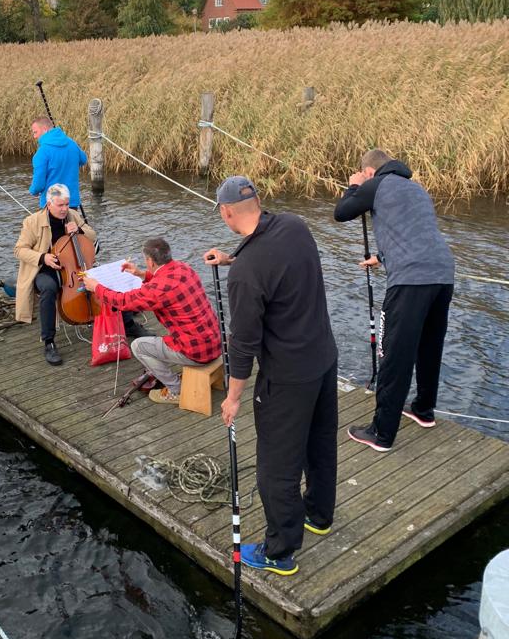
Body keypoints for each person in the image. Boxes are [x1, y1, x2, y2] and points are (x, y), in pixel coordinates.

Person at [204, 175, 338, 577]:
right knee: (319, 444)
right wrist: (233, 258)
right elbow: (273, 258)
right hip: (324, 359)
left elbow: (243, 346)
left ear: (226, 213)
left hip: (286, 378)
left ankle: (280, 550)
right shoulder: (295, 226)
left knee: (275, 466)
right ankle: (319, 515)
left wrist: (233, 397)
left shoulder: (246, 274)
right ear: (258, 201)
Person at [334, 149, 455, 452]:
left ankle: (381, 433)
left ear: (370, 172)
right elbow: (413, 233)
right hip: (442, 274)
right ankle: (423, 411)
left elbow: (342, 212)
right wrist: (383, 257)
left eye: (363, 174)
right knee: (429, 345)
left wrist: (354, 186)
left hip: (411, 281)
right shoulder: (417, 189)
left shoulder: (375, 184)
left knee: (394, 355)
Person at [81, 238, 221, 404]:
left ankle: (177, 390)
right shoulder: (184, 268)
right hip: (215, 342)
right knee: (162, 339)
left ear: (149, 260)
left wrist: (96, 287)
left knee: (138, 346)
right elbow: (163, 284)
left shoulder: (158, 289)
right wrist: (141, 274)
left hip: (196, 352)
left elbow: (124, 301)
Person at [14, 183, 96, 366]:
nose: (64, 209)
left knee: (102, 280)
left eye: (67, 204)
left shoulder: (72, 215)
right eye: (60, 205)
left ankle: (127, 322)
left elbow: (92, 235)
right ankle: (49, 342)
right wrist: (43, 257)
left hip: (74, 267)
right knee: (49, 289)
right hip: (45, 269)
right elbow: (19, 250)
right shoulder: (33, 221)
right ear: (49, 203)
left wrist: (80, 230)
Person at [29, 117, 88, 211]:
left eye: (35, 132)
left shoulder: (41, 153)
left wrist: (33, 191)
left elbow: (38, 184)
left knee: (51, 226)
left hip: (52, 204)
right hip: (71, 201)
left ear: (45, 129)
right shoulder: (71, 143)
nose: (34, 136)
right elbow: (83, 160)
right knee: (71, 225)